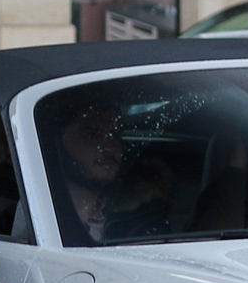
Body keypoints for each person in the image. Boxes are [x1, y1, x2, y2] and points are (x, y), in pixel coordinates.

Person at [57, 98, 172, 243]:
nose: (109, 146)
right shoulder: (30, 208)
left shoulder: (139, 221)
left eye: (115, 134)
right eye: (92, 134)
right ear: (59, 140)